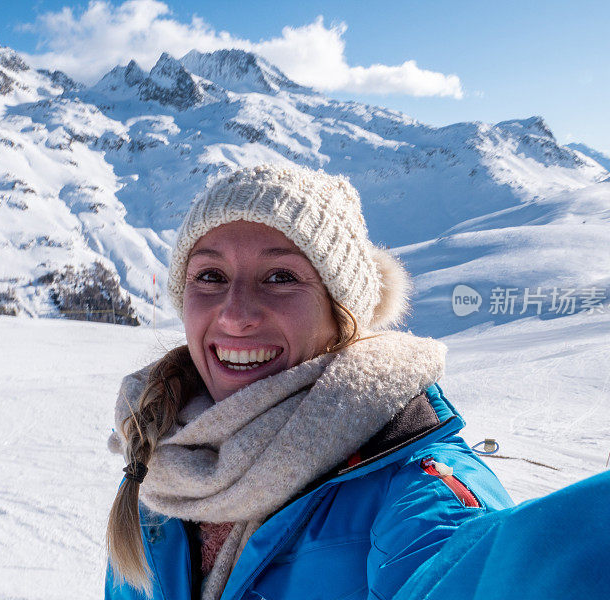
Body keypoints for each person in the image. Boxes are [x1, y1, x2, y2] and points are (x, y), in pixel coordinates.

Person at [104, 164, 514, 600]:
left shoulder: (424, 497)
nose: (235, 314)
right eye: (211, 276)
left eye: (281, 277)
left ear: (341, 313)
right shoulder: (164, 463)